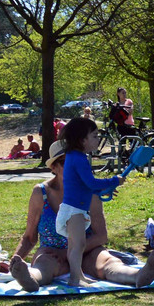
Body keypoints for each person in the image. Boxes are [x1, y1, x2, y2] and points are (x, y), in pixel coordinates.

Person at [9, 139, 154, 291]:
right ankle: (30, 278)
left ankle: (138, 275)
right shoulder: (41, 192)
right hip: (51, 252)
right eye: (65, 163)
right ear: (54, 168)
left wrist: (68, 253)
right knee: (43, 265)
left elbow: (101, 235)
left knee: (108, 263)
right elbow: (29, 237)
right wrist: (15, 261)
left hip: (87, 251)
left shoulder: (90, 191)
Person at [56, 118, 124, 288]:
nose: (98, 139)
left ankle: (78, 275)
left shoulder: (74, 157)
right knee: (78, 245)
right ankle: (75, 277)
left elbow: (86, 187)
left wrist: (102, 191)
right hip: (75, 210)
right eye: (94, 136)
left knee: (75, 245)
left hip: (73, 209)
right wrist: (113, 181)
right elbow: (91, 183)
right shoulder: (79, 159)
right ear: (82, 140)